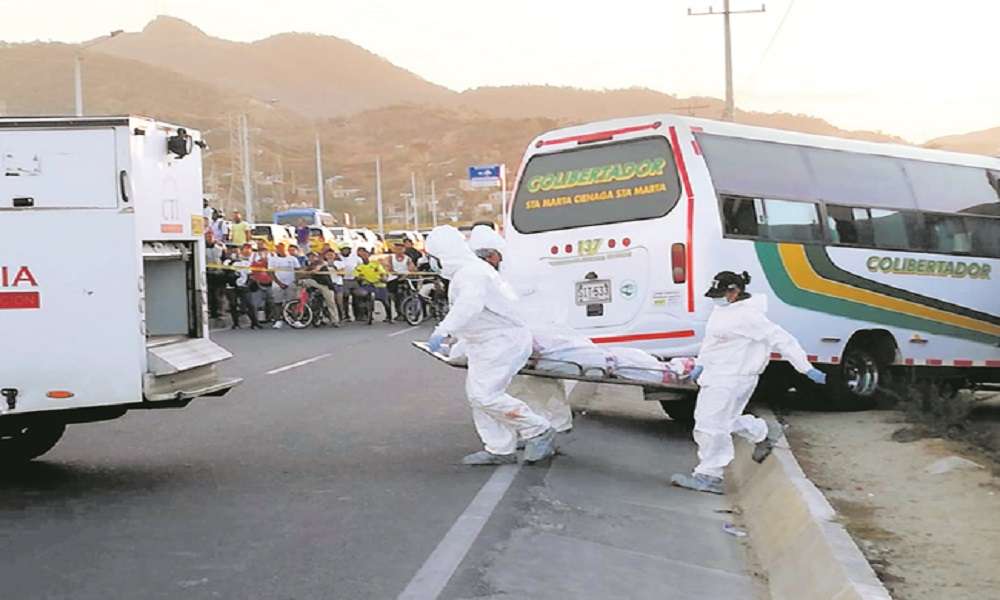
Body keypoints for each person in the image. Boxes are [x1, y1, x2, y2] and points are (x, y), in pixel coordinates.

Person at [671, 271, 826, 495]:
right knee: (723, 421)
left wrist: (806, 368)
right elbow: (712, 341)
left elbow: (782, 340)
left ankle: (709, 475)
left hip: (733, 376)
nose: (717, 298)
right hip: (720, 374)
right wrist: (701, 363)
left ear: (735, 292)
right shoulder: (722, 310)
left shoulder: (748, 317)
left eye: (721, 294)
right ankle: (762, 431)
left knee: (709, 425)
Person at [425, 225, 556, 466]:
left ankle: (538, 429)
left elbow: (469, 307)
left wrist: (442, 331)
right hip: (488, 343)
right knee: (478, 397)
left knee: (484, 395)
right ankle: (499, 448)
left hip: (501, 343)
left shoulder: (472, 274)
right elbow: (480, 316)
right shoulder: (470, 272)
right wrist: (458, 344)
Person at [299, 251, 341, 326]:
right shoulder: (309, 265)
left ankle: (335, 320)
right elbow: (303, 272)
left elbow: (322, 265)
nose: (311, 258)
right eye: (309, 257)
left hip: (326, 285)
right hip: (316, 284)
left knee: (331, 303)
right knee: (303, 282)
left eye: (313, 256)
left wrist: (316, 269)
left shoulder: (320, 262)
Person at [226, 243, 261, 329]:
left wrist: (247, 285)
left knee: (250, 304)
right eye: (232, 251)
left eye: (236, 251)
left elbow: (250, 274)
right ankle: (235, 323)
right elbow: (225, 273)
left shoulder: (246, 262)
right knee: (233, 304)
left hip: (243, 285)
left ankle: (254, 322)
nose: (234, 252)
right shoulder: (227, 262)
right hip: (231, 286)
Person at [354, 247, 392, 323]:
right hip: (368, 284)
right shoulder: (359, 267)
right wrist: (360, 278)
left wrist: (383, 278)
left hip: (379, 284)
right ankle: (366, 313)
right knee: (362, 295)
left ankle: (389, 317)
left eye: (365, 255)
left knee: (385, 301)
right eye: (362, 256)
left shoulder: (376, 264)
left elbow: (383, 273)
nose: (364, 257)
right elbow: (357, 276)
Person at [268, 244, 301, 328]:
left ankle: (295, 320)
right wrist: (279, 283)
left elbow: (297, 271)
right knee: (277, 303)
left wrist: (295, 282)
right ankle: (278, 320)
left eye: (282, 248)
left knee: (292, 303)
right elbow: (271, 272)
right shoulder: (272, 259)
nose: (280, 250)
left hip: (291, 283)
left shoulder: (293, 259)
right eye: (278, 249)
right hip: (277, 284)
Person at [386, 243, 416, 322]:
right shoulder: (390, 258)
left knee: (407, 293)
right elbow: (389, 268)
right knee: (394, 296)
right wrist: (396, 274)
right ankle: (398, 312)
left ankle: (407, 312)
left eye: (401, 249)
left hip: (405, 277)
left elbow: (412, 269)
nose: (399, 251)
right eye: (397, 249)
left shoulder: (408, 258)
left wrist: (405, 275)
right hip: (393, 278)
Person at [204, 230, 227, 320]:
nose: (209, 238)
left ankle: (220, 313)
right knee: (209, 295)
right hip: (208, 273)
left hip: (219, 274)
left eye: (211, 236)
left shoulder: (220, 247)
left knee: (219, 295)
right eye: (207, 236)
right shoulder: (202, 247)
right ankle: (211, 312)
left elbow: (224, 259)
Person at [339, 244, 362, 321]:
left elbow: (360, 267)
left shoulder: (355, 258)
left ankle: (358, 316)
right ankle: (346, 315)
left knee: (357, 297)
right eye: (344, 249)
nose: (345, 251)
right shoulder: (338, 258)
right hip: (344, 280)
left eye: (347, 249)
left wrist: (358, 275)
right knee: (345, 297)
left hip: (354, 280)